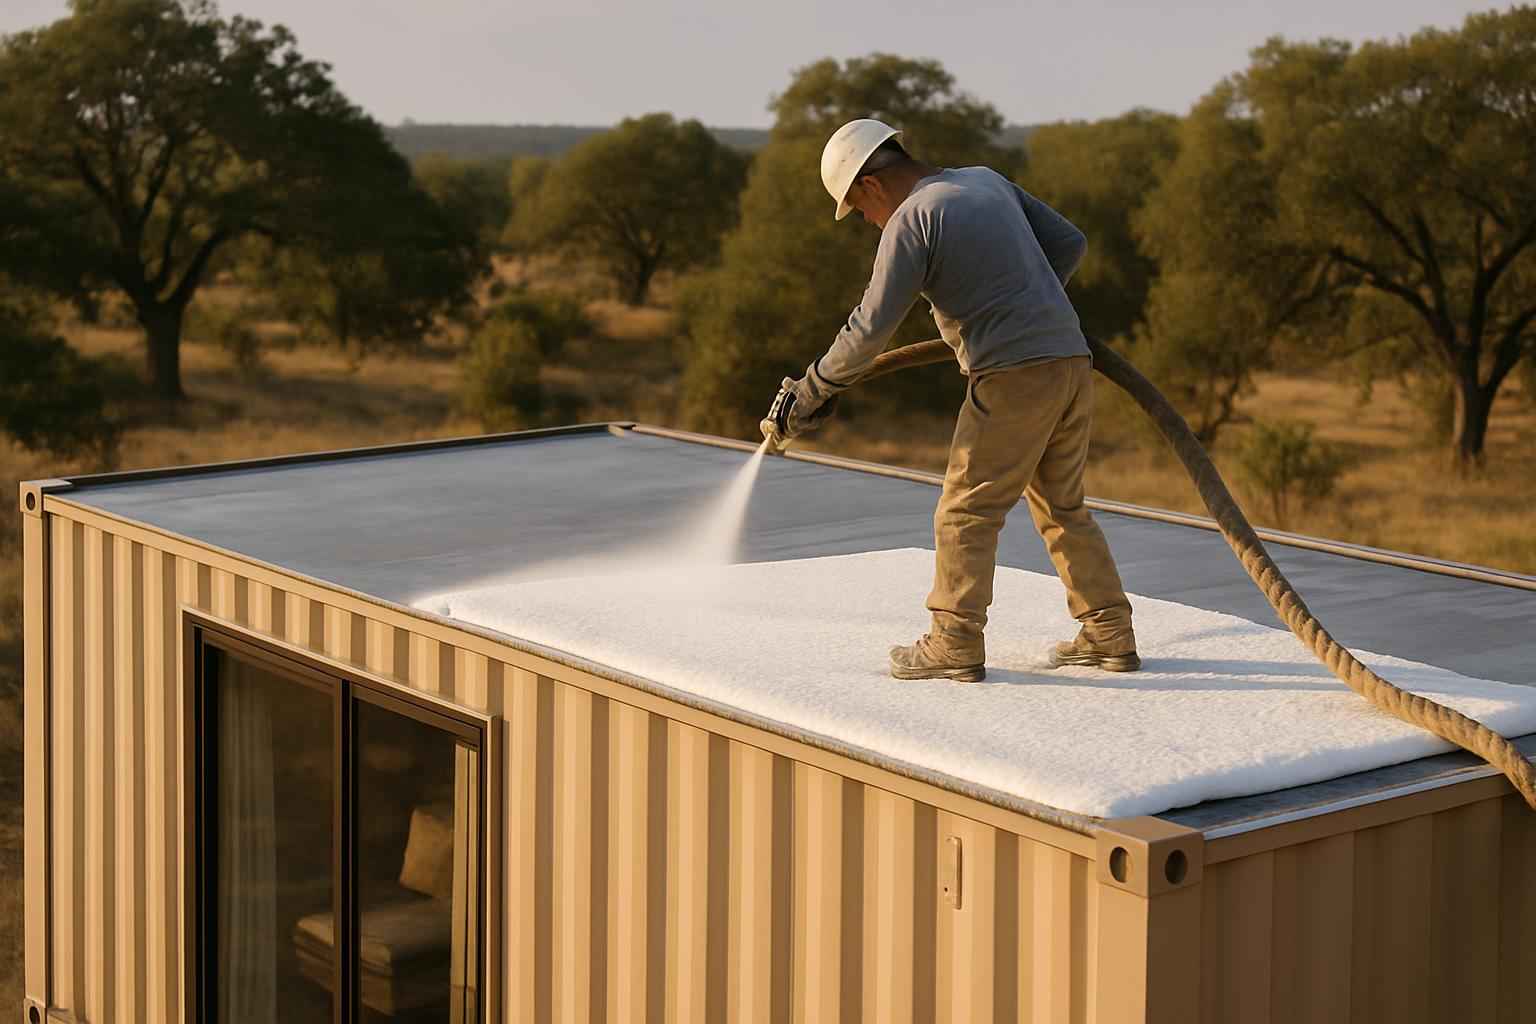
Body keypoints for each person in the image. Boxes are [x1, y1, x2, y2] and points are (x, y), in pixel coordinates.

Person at [762, 118, 1139, 682]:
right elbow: (1070, 243)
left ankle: (954, 641)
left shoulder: (911, 218)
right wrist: (1022, 303)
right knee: (1061, 505)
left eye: (859, 210)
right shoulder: (985, 180)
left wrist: (811, 389)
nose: (868, 222)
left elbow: (869, 327)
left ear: (869, 183)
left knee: (965, 509)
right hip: (1069, 359)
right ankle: (1109, 631)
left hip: (1011, 374)